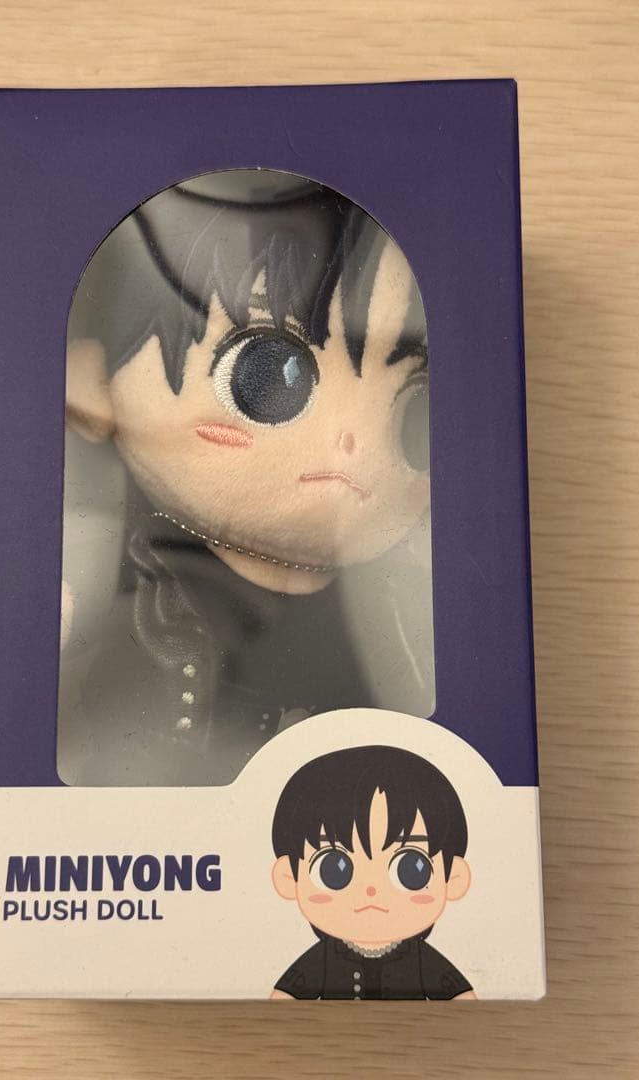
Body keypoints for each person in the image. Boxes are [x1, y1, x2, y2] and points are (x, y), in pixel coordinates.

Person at [59, 171, 434, 786]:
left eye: (413, 408)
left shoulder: (391, 606)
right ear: (92, 387)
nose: (356, 442)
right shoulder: (113, 578)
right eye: (268, 375)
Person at [270, 745, 475, 1000]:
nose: (371, 889)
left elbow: (464, 1001)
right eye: (333, 869)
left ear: (453, 878)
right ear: (288, 877)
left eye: (411, 869)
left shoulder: (422, 960)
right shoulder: (322, 959)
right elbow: (282, 999)